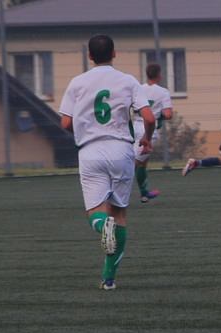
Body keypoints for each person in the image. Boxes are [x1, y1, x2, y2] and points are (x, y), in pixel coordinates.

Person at [59, 34, 155, 290]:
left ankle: (103, 226)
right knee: (120, 213)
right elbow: (149, 116)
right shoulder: (128, 81)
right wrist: (146, 139)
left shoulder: (77, 82)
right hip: (122, 149)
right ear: (115, 53)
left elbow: (66, 123)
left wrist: (84, 133)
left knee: (96, 212)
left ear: (89, 56)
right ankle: (109, 278)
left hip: (90, 151)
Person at [133, 63, 173, 203]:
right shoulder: (163, 92)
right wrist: (160, 115)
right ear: (159, 75)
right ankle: (111, 193)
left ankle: (144, 193)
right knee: (133, 164)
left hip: (135, 126)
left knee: (142, 163)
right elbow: (168, 114)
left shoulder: (138, 89)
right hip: (149, 130)